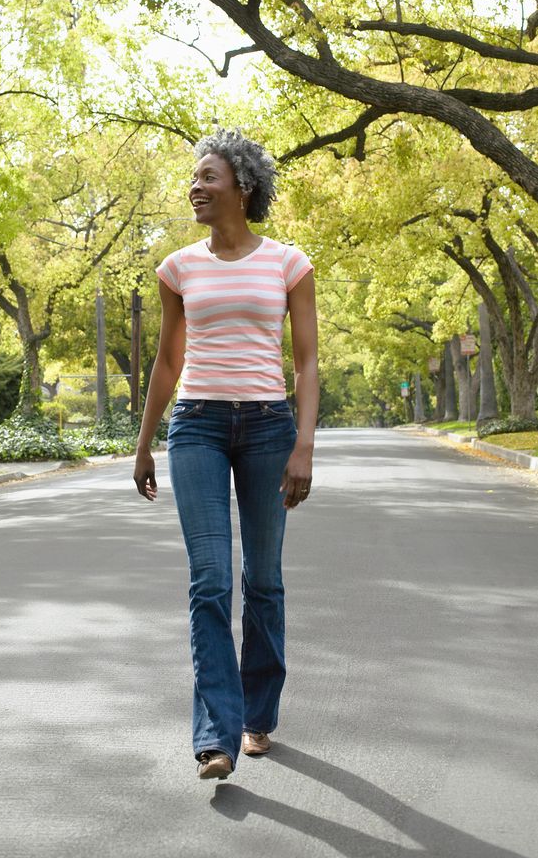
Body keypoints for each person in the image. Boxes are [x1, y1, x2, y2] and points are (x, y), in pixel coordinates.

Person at [133, 129, 319, 781]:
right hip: (197, 428)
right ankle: (215, 736)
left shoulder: (288, 263)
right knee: (209, 579)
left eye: (207, 176)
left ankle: (256, 716)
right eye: (193, 177)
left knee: (262, 580)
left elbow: (305, 361)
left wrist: (303, 443)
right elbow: (167, 361)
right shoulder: (178, 268)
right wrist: (144, 442)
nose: (195, 186)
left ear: (242, 186)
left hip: (269, 428)